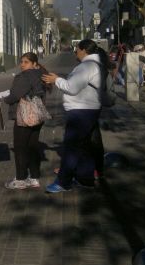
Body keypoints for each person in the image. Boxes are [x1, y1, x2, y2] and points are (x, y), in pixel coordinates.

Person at [42, 39, 105, 193]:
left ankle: (64, 182)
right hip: (90, 109)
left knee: (71, 148)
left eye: (77, 49)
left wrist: (56, 79)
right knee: (84, 147)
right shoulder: (97, 65)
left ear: (84, 50)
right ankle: (86, 179)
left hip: (81, 111)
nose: (75, 52)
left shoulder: (86, 66)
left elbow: (72, 88)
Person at [2, 52, 47, 190]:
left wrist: (5, 98)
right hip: (37, 115)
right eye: (21, 61)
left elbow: (15, 95)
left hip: (24, 116)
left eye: (26, 62)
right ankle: (34, 178)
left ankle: (20, 179)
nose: (22, 64)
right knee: (32, 147)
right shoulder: (42, 75)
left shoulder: (25, 76)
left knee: (20, 148)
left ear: (34, 64)